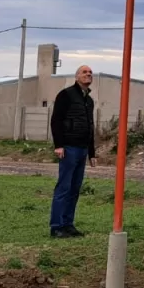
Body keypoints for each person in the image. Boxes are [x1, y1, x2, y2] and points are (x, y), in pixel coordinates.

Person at [49, 64, 98, 238]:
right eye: (84, 72)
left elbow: (90, 127)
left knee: (75, 188)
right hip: (68, 148)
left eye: (90, 72)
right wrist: (59, 145)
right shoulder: (66, 95)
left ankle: (68, 224)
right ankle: (56, 227)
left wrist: (92, 153)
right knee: (64, 186)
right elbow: (56, 120)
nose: (88, 74)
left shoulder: (89, 100)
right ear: (77, 76)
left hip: (82, 149)